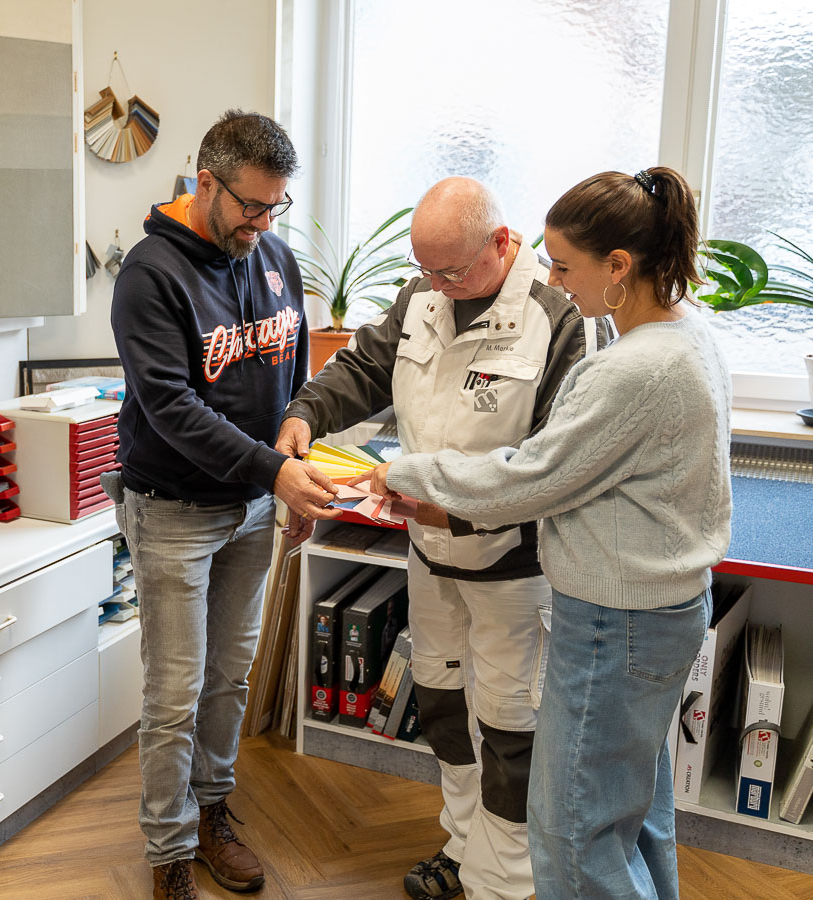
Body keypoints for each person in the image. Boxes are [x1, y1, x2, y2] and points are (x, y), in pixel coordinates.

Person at [361, 167, 732, 900]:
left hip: (615, 627)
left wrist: (411, 475)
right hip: (661, 615)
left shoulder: (631, 368)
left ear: (618, 268)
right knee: (635, 817)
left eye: (564, 265)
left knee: (572, 836)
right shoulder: (690, 338)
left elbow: (530, 477)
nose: (555, 281)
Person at [277, 177, 609, 900]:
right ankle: (464, 853)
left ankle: (507, 884)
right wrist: (305, 413)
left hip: (515, 570)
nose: (436, 285)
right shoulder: (423, 295)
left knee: (510, 730)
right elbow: (363, 369)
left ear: (501, 243)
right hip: (430, 558)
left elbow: (557, 466)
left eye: (451, 271)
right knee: (444, 707)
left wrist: (458, 512)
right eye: (424, 269)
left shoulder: (562, 316)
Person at [109, 109, 339, 900]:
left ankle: (213, 815)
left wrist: (294, 444)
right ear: (205, 181)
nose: (263, 222)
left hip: (251, 508)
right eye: (250, 205)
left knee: (229, 679)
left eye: (276, 206)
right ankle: (168, 851)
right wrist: (275, 472)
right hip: (173, 510)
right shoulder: (148, 275)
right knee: (173, 692)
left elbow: (290, 365)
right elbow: (170, 407)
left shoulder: (271, 252)